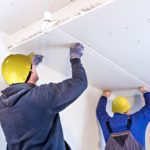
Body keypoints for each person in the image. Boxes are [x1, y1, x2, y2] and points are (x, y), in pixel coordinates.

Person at [0, 43, 87, 150]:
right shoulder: (40, 97)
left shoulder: (3, 104)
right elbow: (80, 82)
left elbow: (23, 82)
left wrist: (32, 66)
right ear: (30, 71)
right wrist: (75, 58)